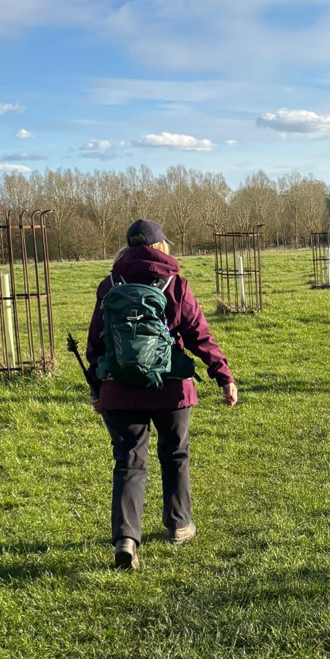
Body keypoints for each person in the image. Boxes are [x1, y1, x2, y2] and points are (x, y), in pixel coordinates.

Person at [86, 219, 238, 570]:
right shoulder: (176, 284)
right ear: (162, 248)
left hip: (120, 391)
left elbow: (97, 343)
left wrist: (97, 388)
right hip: (170, 389)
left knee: (128, 462)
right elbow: (200, 336)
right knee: (175, 454)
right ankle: (179, 524)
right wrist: (224, 377)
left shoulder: (109, 285)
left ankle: (126, 537)